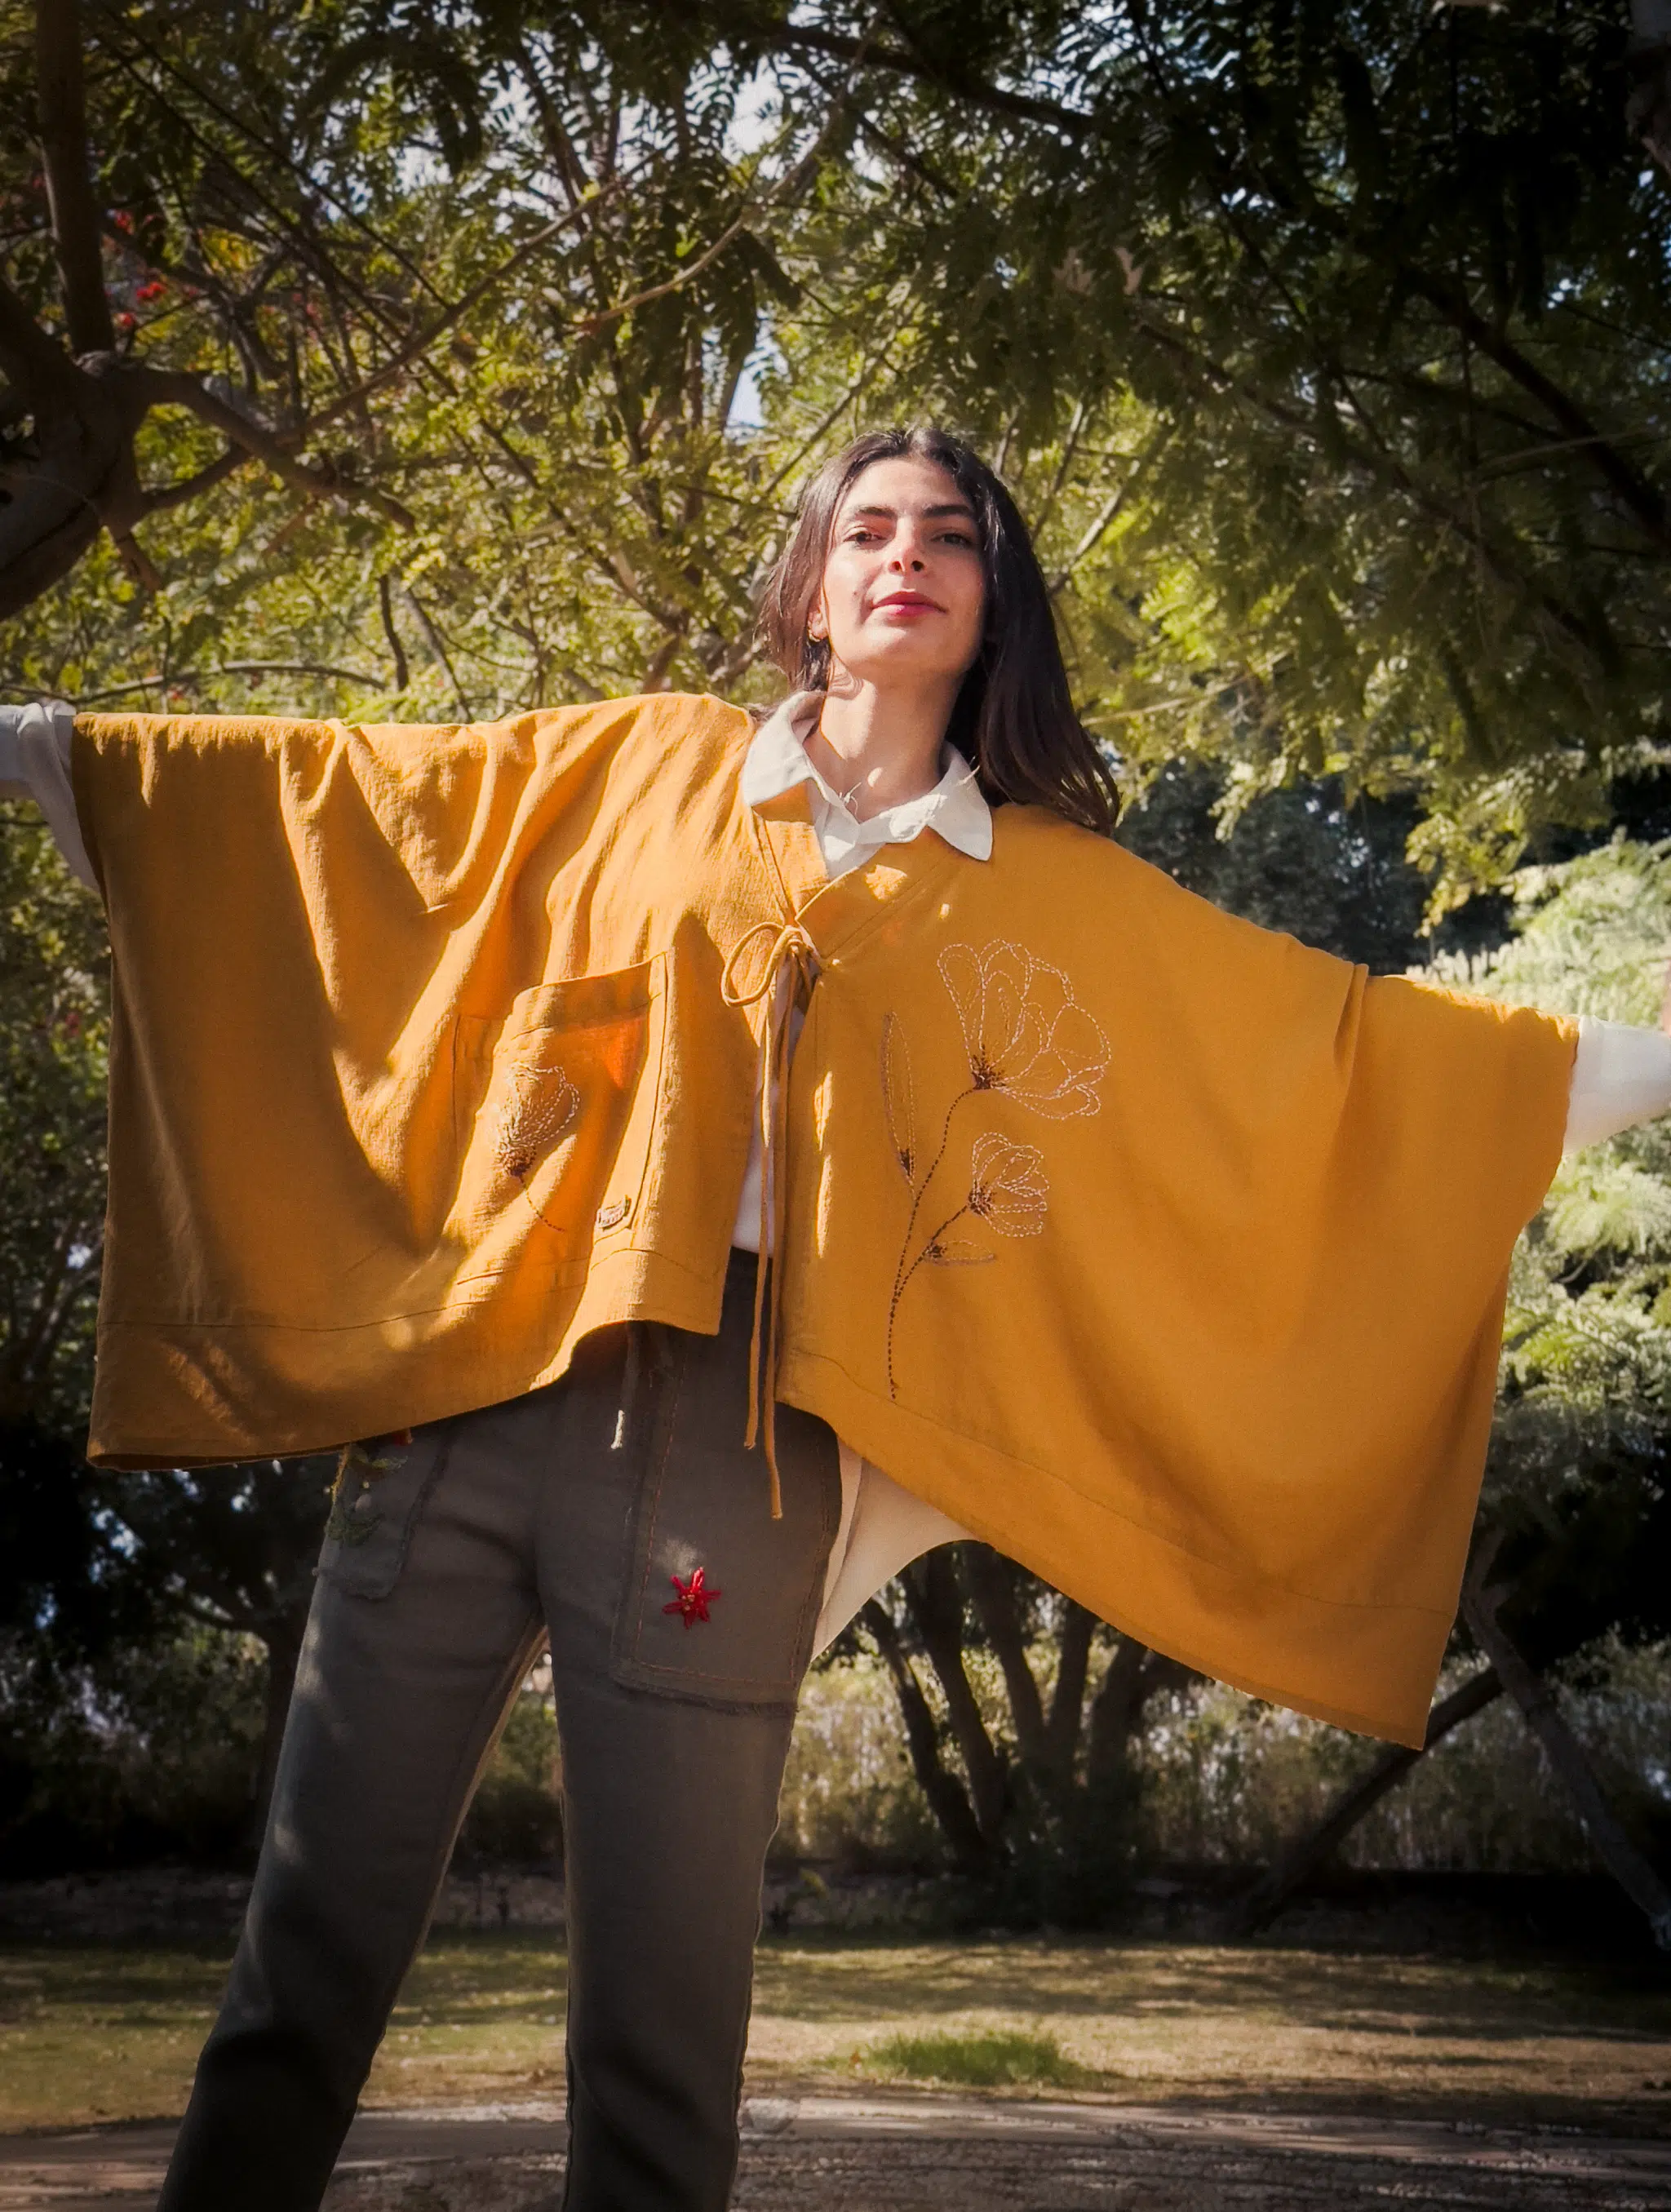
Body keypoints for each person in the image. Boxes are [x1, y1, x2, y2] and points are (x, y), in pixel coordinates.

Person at [3, 425, 1670, 2212]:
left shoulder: (1058, 889)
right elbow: (359, 818)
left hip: (740, 1452)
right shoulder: (645, 763)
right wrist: (45, 752)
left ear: (990, 602)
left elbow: (1327, 1060)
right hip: (478, 1377)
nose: (905, 556)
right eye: (866, 528)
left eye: (948, 534)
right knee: (300, 1966)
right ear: (808, 585)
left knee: (661, 2032)